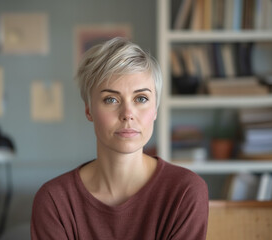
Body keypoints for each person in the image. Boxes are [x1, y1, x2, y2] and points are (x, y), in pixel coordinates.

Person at [31, 37, 208, 240]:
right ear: (89, 110)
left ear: (155, 108)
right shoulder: (54, 201)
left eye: (141, 98)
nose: (127, 113)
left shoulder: (185, 191)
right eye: (111, 99)